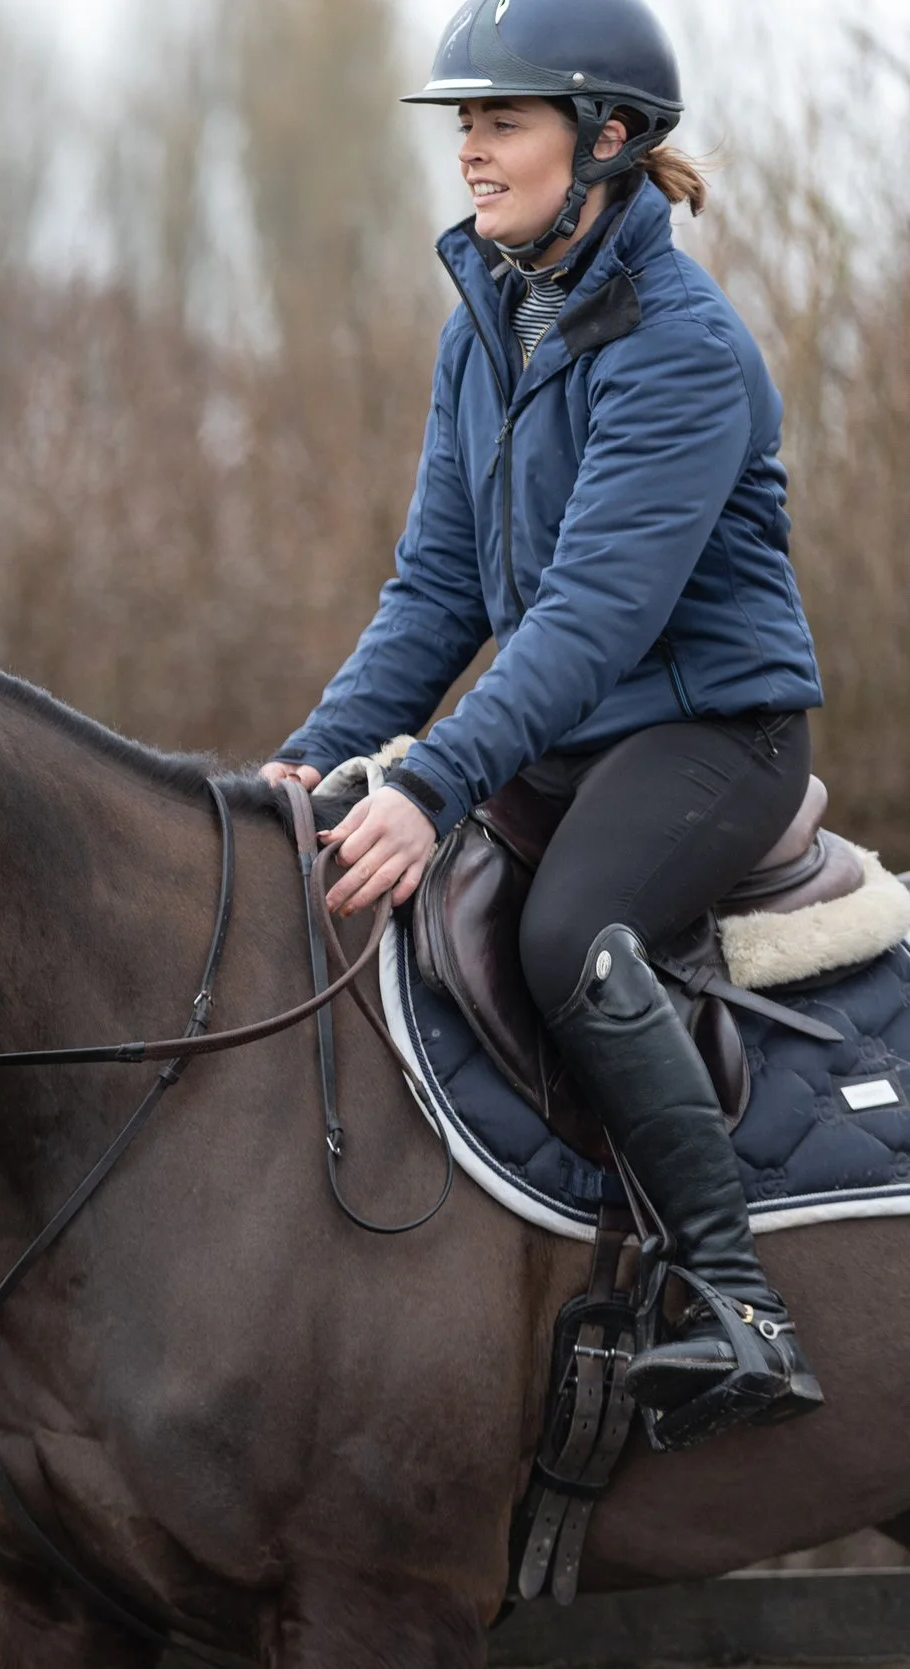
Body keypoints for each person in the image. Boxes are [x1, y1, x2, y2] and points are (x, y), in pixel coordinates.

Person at [259, 0, 824, 1447]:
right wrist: (315, 760)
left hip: (714, 734)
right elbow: (439, 588)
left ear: (612, 138)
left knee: (569, 935)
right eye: (464, 124)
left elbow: (589, 616)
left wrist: (434, 781)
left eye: (502, 121)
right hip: (571, 735)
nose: (470, 152)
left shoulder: (685, 348)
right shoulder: (488, 329)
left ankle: (741, 1309)